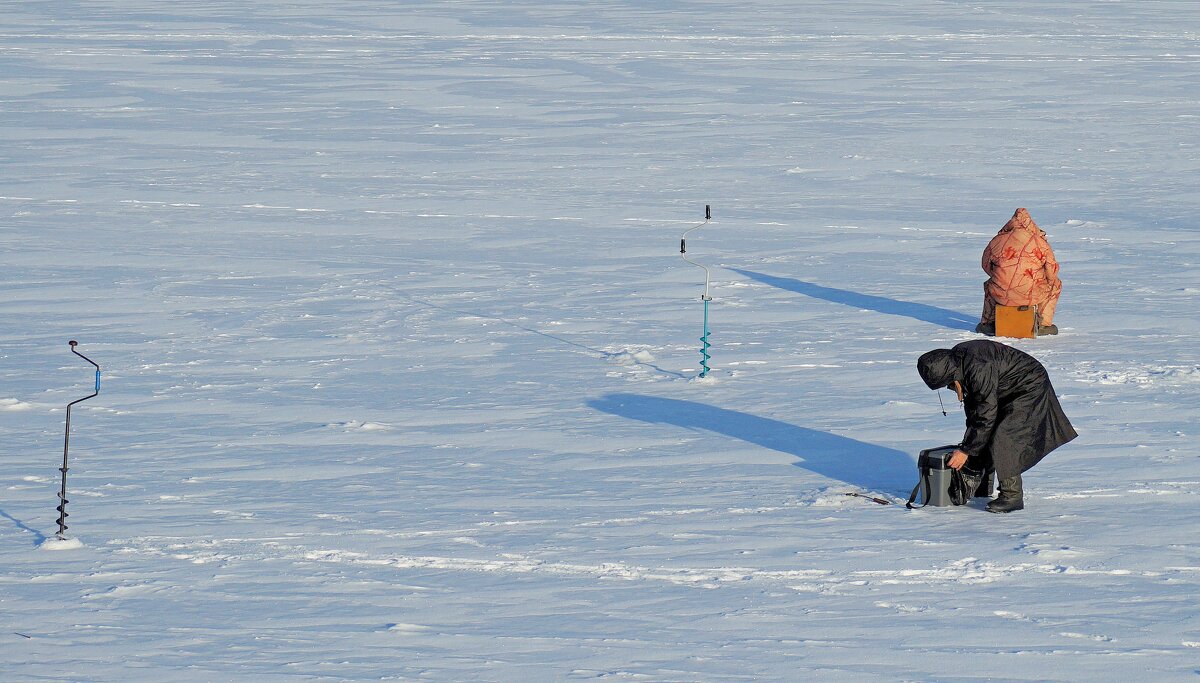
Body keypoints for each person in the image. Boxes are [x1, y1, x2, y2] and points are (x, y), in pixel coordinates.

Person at [917, 340, 1077, 513]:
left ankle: (1012, 496)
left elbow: (986, 412)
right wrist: (969, 443)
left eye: (948, 384)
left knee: (1005, 436)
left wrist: (966, 450)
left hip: (1030, 385)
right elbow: (976, 409)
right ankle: (982, 485)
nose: (949, 388)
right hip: (1006, 388)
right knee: (986, 431)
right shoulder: (960, 361)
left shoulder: (978, 367)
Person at [976, 208, 1062, 336]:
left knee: (990, 285)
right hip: (1032, 294)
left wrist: (999, 276)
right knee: (1055, 284)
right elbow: (1052, 270)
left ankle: (988, 323)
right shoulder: (1039, 242)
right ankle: (1043, 324)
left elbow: (985, 265)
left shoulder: (997, 240)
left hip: (1000, 295)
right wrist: (1045, 281)